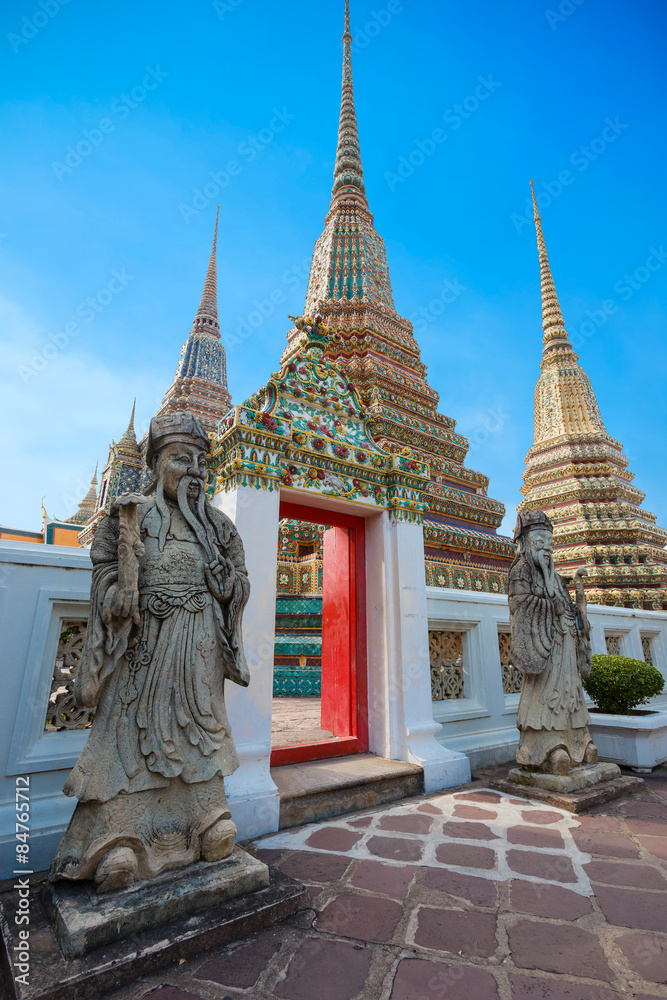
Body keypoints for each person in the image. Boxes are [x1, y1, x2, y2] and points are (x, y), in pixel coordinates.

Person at [49, 412, 250, 892]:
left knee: (200, 735)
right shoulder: (129, 516)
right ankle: (116, 840)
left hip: (197, 647)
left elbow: (239, 580)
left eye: (202, 461)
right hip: (143, 646)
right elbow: (103, 577)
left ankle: (206, 823)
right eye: (182, 459)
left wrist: (229, 588)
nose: (195, 471)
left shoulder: (218, 528)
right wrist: (117, 592)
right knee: (126, 736)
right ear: (156, 462)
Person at [509, 509, 597, 774]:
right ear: (524, 544)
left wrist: (578, 608)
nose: (546, 548)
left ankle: (578, 743)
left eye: (548, 542)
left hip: (565, 647)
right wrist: (553, 606)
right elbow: (520, 603)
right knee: (545, 697)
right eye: (539, 542)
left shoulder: (557, 578)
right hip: (544, 648)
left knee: (571, 694)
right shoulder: (521, 572)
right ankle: (546, 748)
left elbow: (568, 610)